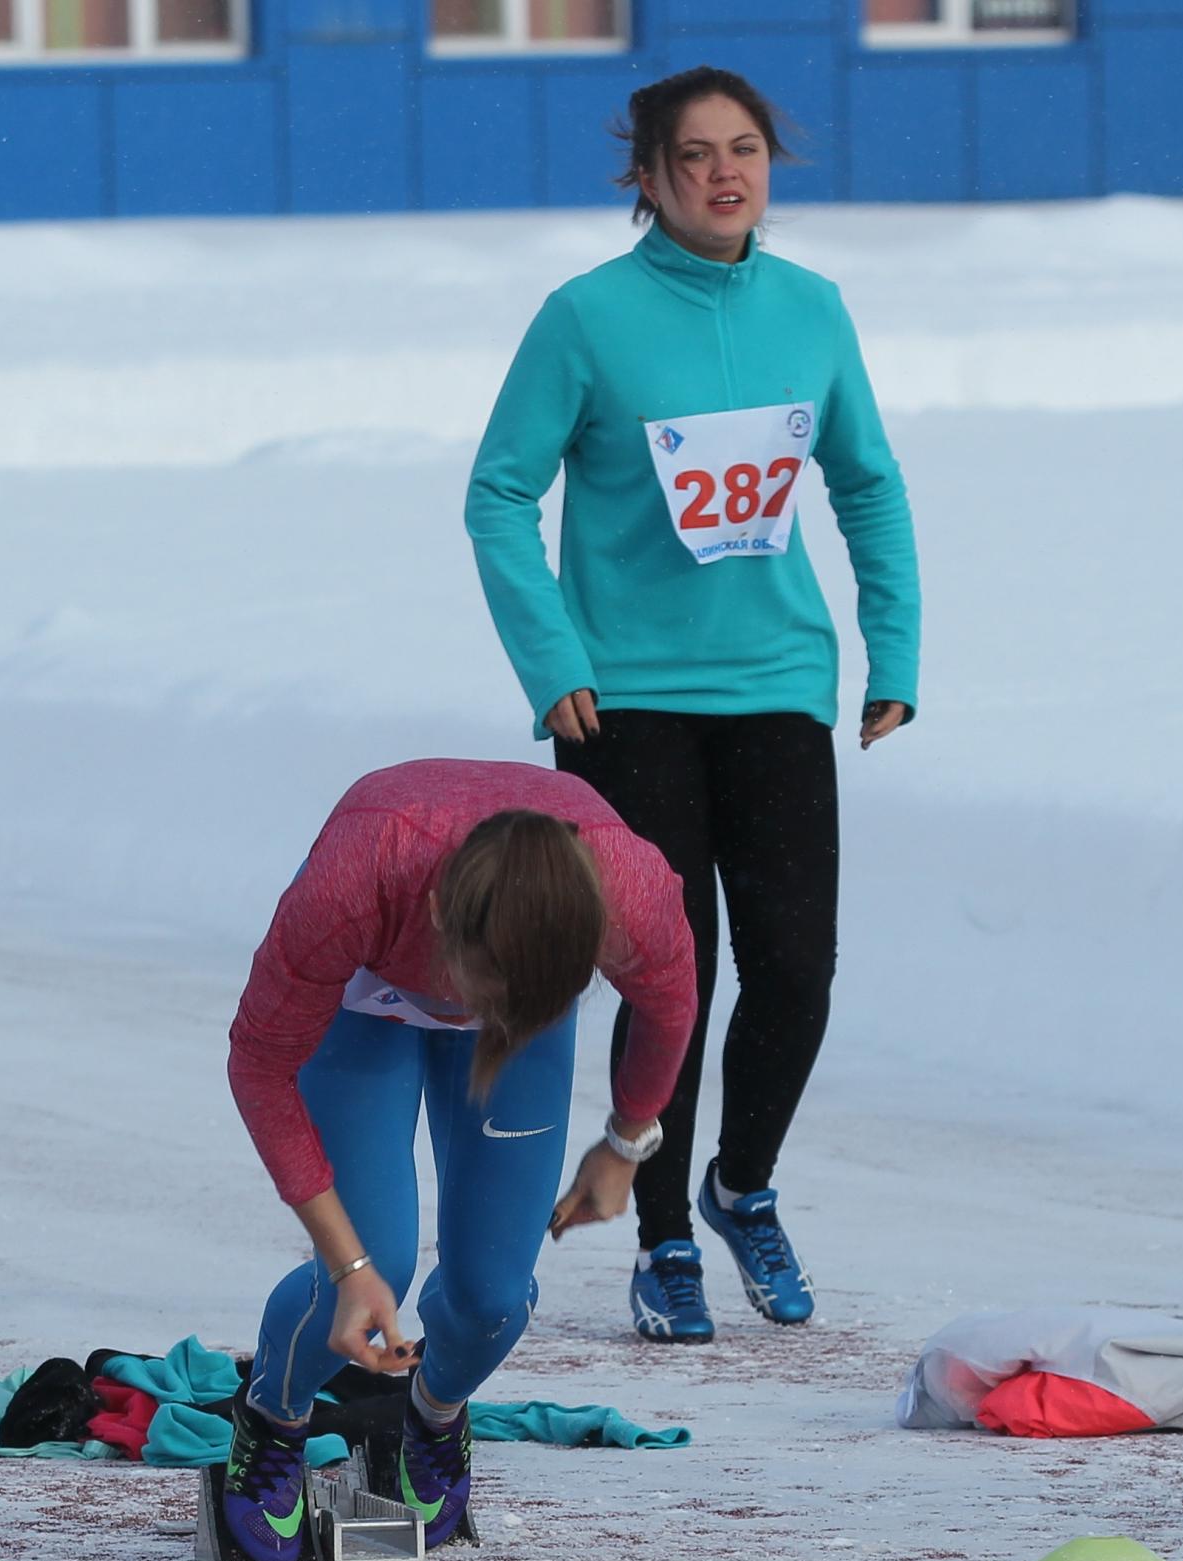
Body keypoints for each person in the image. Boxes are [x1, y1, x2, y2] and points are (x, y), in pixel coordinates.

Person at [465, 66, 921, 1346]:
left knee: (795, 968)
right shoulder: (586, 319)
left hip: (775, 680)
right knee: (674, 973)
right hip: (622, 701)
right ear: (649, 180)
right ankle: (660, 1236)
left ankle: (742, 1186)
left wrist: (893, 648)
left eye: (747, 151)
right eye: (696, 156)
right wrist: (550, 658)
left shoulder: (812, 312)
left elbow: (867, 487)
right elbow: (499, 493)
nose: (726, 174)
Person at [220, 759, 696, 1561]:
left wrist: (626, 1143)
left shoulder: (631, 893)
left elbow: (672, 1004)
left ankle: (436, 1414)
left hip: (502, 971)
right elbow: (259, 1066)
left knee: (493, 1295)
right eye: (480, 994)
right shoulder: (355, 883)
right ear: (439, 915)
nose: (482, 1018)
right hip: (367, 996)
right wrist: (348, 1262)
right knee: (382, 1261)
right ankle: (273, 1415)